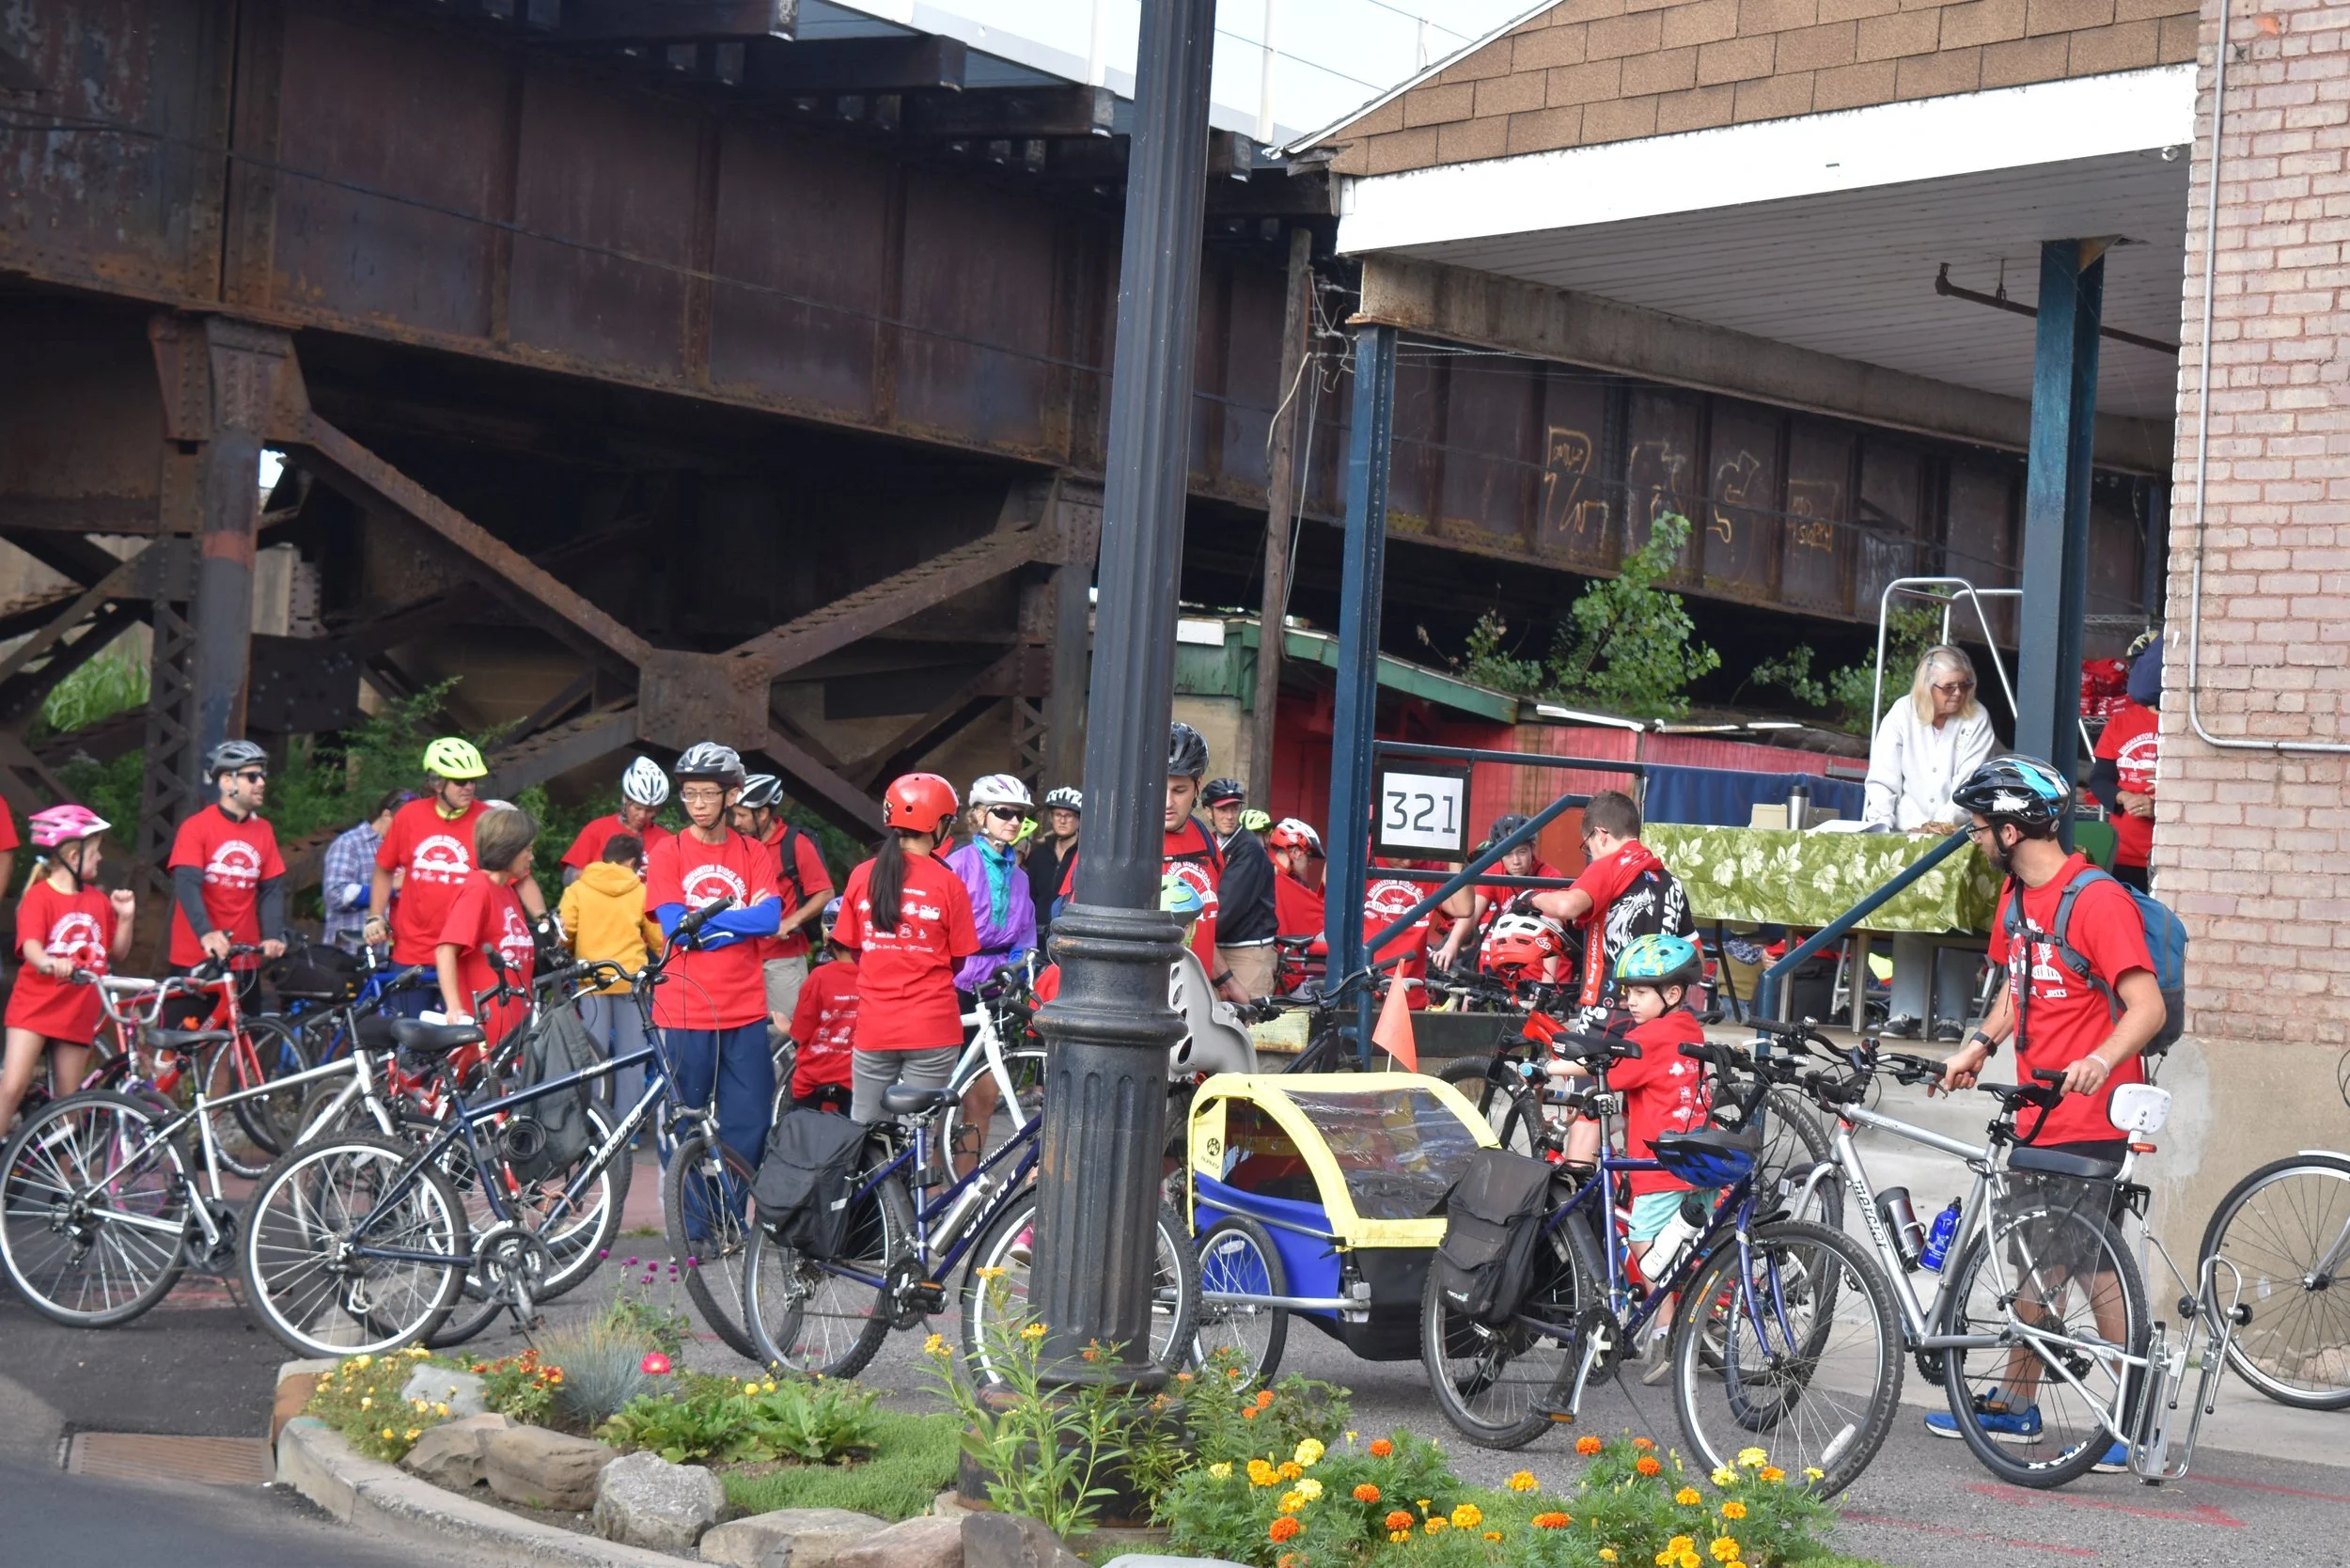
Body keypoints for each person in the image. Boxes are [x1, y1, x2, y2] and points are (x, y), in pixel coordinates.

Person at [1932, 754, 2167, 1467]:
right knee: (2033, 1262)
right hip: (2035, 1112)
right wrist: (1981, 1041)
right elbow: (2020, 987)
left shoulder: (2097, 900)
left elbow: (2147, 1007)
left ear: (2012, 829)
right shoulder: (2018, 901)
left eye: (1979, 827)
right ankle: (2017, 1402)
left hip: (2092, 1118)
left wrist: (2100, 1059)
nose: (1973, 836)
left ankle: (2133, 1420)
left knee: (2094, 1268)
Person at [1543, 933, 1712, 1381]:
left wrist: (1549, 1067)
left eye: (1639, 992)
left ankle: (1667, 1335)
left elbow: (1603, 1068)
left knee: (1645, 1246)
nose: (1630, 1002)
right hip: (1695, 1159)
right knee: (1678, 1249)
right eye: (1627, 992)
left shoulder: (1647, 1038)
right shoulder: (1687, 1029)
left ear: (1672, 994)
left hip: (1660, 1168)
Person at [645, 743, 786, 1168]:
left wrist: (708, 930)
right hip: (685, 1009)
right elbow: (676, 929)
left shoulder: (751, 852)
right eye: (689, 794)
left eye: (708, 793)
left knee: (752, 1122)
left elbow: (770, 919)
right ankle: (693, 1228)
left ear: (732, 794)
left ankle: (733, 1222)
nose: (698, 804)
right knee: (686, 1126)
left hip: (744, 1010)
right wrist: (737, 921)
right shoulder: (669, 851)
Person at [1863, 645, 1999, 1042]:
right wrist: (1879, 825)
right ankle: (1904, 1012)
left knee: (1957, 914)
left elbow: (1970, 782)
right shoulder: (1901, 713)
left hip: (1957, 834)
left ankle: (1953, 1017)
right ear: (1928, 687)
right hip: (1906, 834)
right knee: (1910, 915)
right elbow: (1884, 775)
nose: (1958, 694)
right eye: (1949, 688)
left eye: (1965, 685)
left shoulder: (1978, 718)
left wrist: (1941, 823)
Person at [833, 774, 978, 1124]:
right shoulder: (949, 883)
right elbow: (958, 958)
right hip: (932, 1028)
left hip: (874, 1027)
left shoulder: (862, 875)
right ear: (938, 823)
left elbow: (853, 948)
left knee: (864, 1130)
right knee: (917, 1137)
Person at [368, 738, 549, 1011]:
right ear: (437, 782)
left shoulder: (488, 819)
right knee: (410, 1043)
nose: (469, 787)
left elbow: (521, 876)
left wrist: (544, 920)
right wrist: (375, 916)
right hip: (413, 950)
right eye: (460, 781)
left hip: (466, 953)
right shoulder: (409, 816)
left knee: (467, 1040)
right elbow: (384, 868)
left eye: (473, 780)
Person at [0, 806, 133, 1139]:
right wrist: (47, 961)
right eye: (96, 851)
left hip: (77, 1010)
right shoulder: (39, 897)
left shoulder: (99, 901)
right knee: (12, 1086)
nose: (100, 858)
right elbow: (29, 944)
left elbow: (117, 952)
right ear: (74, 856)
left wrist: (126, 917)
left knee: (70, 1103)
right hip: (35, 1007)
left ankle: (64, 1187)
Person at [1529, 790, 1695, 1032]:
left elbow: (1566, 906)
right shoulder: (1672, 883)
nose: (1592, 855)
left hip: (1610, 1008)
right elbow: (1695, 957)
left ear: (1601, 834)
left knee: (1575, 1066)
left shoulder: (1610, 866)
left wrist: (1530, 898)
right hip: (1660, 1009)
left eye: (1588, 846)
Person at [166, 739, 289, 987]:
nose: (262, 782)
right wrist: (206, 933)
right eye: (252, 776)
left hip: (244, 959)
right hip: (197, 955)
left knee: (246, 1027)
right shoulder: (196, 827)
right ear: (226, 782)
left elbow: (272, 889)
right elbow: (187, 884)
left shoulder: (264, 830)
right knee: (182, 1026)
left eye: (262, 775)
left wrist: (273, 936)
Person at [558, 830, 664, 1114]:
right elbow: (658, 937)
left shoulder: (578, 889)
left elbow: (565, 932)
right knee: (632, 1056)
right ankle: (628, 1125)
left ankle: (595, 1120)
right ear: (632, 862)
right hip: (631, 979)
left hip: (591, 981)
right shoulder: (641, 891)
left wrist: (572, 953)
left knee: (593, 1055)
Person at [731, 773, 835, 1034]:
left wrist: (791, 921)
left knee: (787, 1037)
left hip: (783, 960)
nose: (736, 822)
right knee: (747, 1036)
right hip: (742, 958)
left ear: (763, 813)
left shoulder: (794, 843)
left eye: (742, 815)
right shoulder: (738, 845)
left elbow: (824, 892)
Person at [435, 806, 540, 1048]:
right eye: (528, 850)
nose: (531, 857)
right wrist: (455, 1009)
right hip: (486, 1034)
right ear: (509, 850)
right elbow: (445, 950)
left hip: (514, 1028)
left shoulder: (506, 890)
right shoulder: (478, 889)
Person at [1434, 813, 1565, 971]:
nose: (1516, 861)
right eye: (1508, 854)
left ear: (1532, 848)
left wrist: (1547, 983)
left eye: (1522, 852)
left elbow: (1553, 931)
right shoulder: (1496, 872)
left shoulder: (1551, 877)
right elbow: (1472, 912)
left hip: (1546, 969)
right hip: (1513, 968)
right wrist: (1451, 945)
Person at [2090, 633, 2163, 892]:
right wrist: (2123, 797)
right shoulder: (2120, 722)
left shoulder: (2184, 725)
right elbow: (2099, 780)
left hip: (2169, 855)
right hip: (2122, 854)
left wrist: (2160, 808)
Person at [1203, 778, 1279, 999]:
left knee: (1248, 1026)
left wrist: (1192, 935)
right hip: (1220, 949)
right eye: (1223, 809)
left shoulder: (1248, 849)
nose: (1229, 816)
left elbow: (1226, 907)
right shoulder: (1213, 843)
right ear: (1209, 811)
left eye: (1234, 808)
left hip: (1247, 953)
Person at [786, 899, 857, 1113]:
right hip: (857, 1081)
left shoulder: (819, 977)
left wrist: (784, 1027)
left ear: (828, 935)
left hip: (813, 1081)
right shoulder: (875, 977)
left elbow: (800, 1033)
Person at [559, 757, 673, 885]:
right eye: (637, 808)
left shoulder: (666, 840)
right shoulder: (597, 829)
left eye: (649, 811)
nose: (642, 815)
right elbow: (568, 878)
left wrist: (659, 874)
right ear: (625, 800)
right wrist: (603, 874)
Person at [321, 792, 405, 950]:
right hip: (351, 953)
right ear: (386, 815)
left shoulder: (407, 848)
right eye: (404, 823)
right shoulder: (349, 843)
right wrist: (391, 887)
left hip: (392, 951)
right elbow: (336, 894)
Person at [1027, 787, 1081, 939]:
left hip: (1067, 935)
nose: (1062, 820)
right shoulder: (1038, 853)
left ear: (1079, 819)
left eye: (1069, 815)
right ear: (1051, 817)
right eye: (1058, 814)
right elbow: (1030, 895)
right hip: (1036, 935)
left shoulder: (1083, 856)